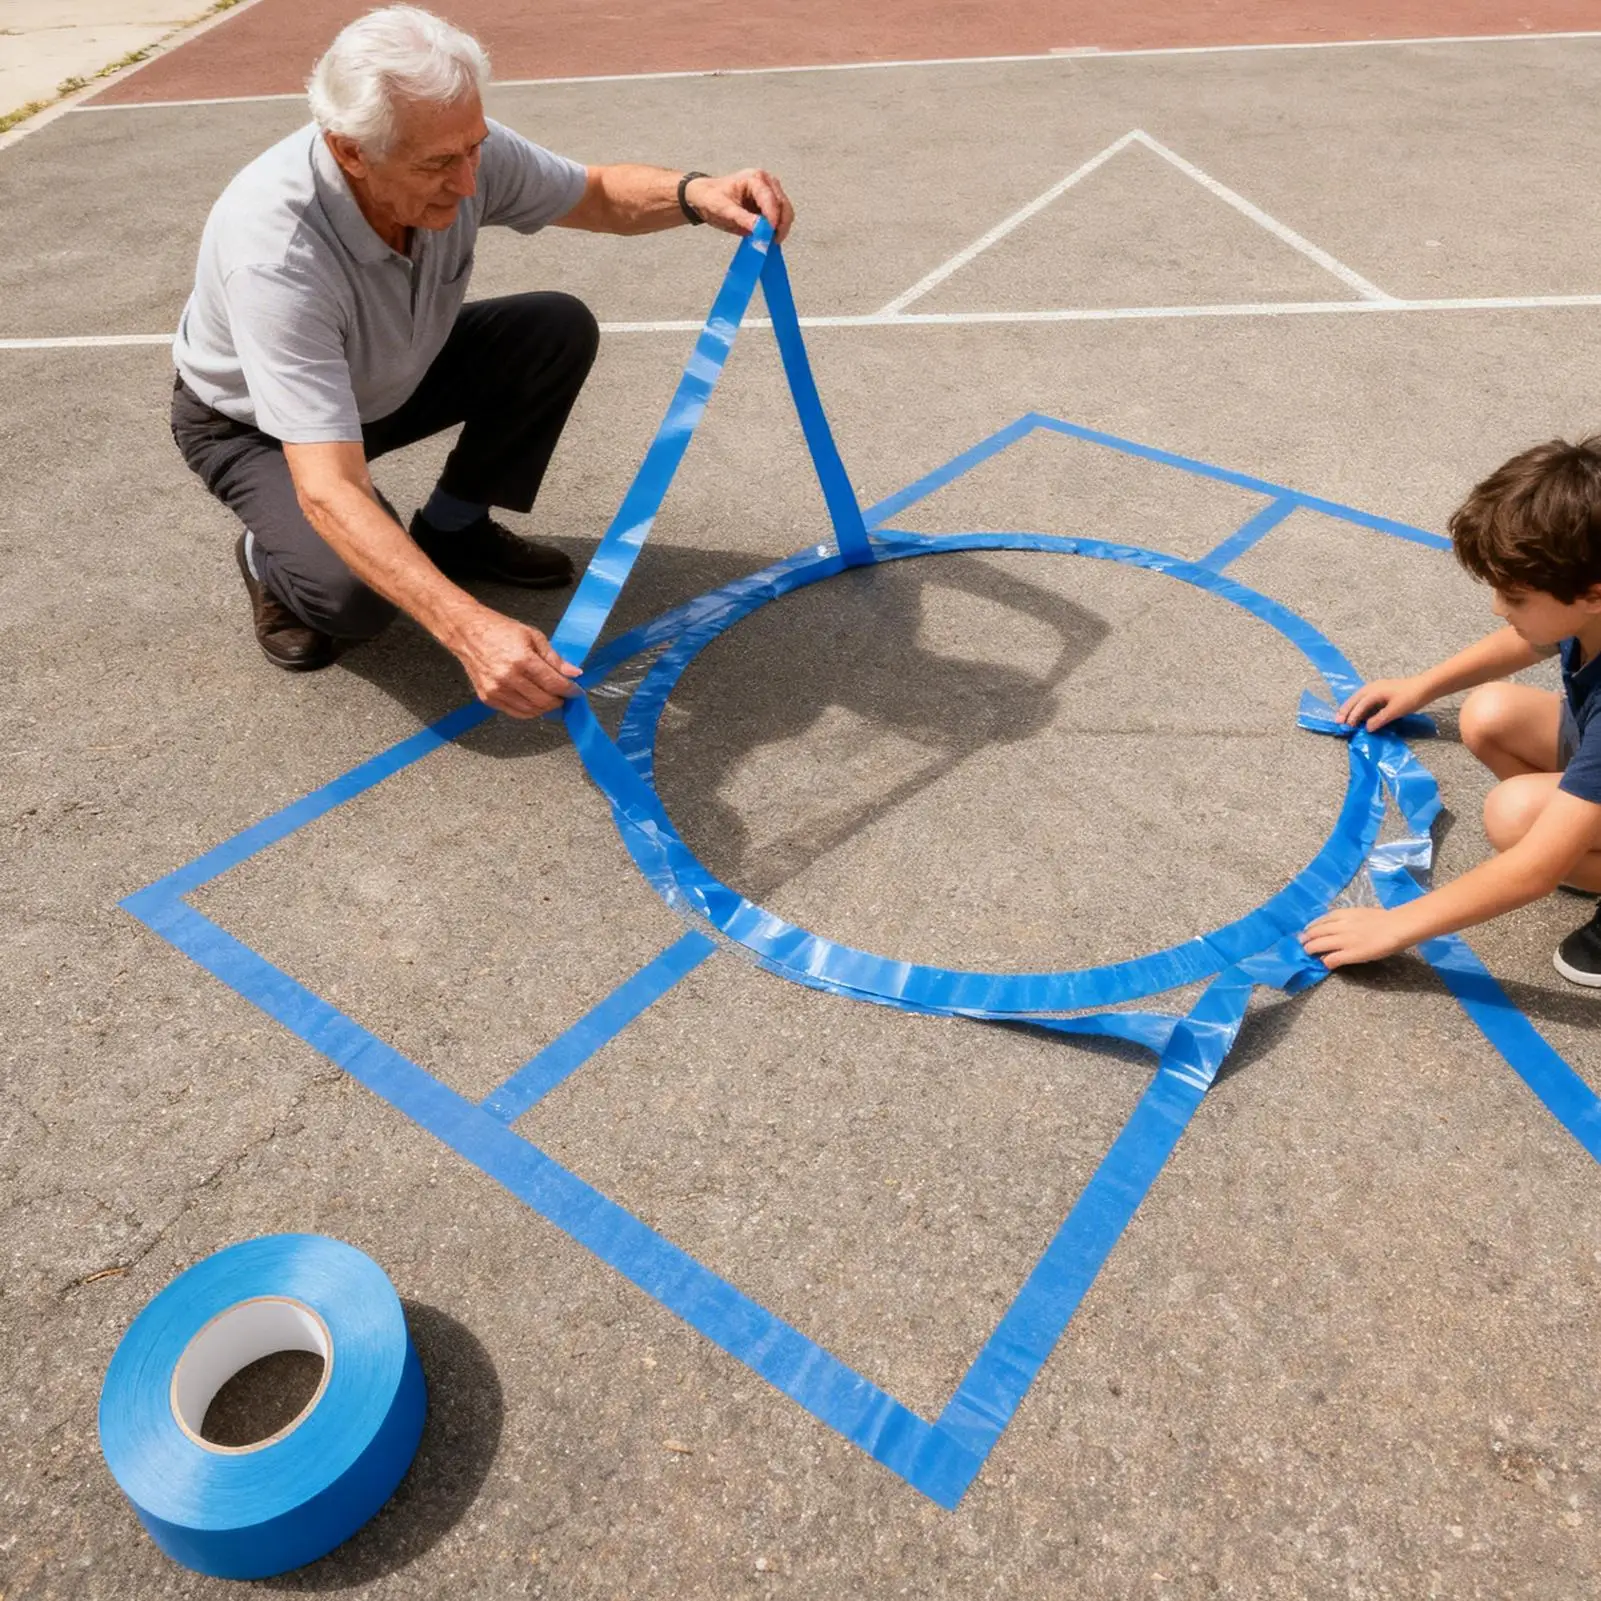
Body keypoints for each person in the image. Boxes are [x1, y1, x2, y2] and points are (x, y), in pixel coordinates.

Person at [169, 4, 792, 719]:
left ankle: (454, 528)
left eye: (473, 148)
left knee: (550, 328)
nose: (469, 182)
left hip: (388, 368)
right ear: (349, 151)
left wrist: (692, 193)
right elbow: (329, 487)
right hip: (252, 427)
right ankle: (268, 557)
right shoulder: (276, 253)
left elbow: (591, 193)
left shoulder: (453, 144)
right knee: (354, 598)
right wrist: (470, 632)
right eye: (439, 163)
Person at [1301, 436, 1601, 987]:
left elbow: (1532, 874)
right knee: (1487, 715)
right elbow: (1530, 642)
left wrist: (1394, 928)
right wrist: (1423, 687)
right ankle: (1575, 833)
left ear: (1593, 593)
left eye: (1514, 597)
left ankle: (1570, 840)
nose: (1497, 607)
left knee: (1513, 817)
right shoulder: (1586, 609)